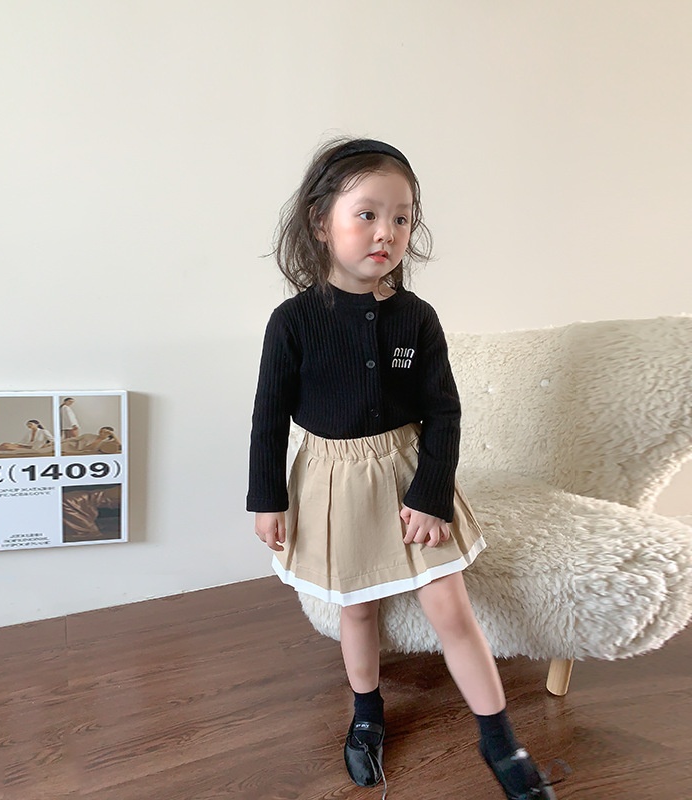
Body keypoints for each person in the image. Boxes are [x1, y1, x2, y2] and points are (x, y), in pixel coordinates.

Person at [247, 138, 558, 799]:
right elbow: (268, 419)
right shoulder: (292, 323)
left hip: (410, 477)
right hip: (332, 483)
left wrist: (432, 496)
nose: (386, 232)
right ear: (320, 221)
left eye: (402, 217)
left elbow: (443, 413)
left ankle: (501, 741)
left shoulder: (416, 319)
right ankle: (366, 714)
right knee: (357, 610)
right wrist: (267, 498)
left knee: (451, 608)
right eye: (367, 214)